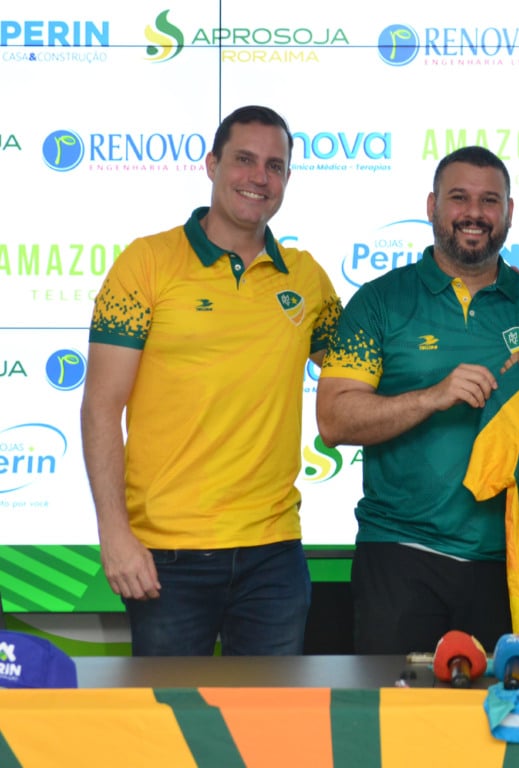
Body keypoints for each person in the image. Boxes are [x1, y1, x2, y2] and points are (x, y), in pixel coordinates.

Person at [316, 145, 519, 655]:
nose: (474, 213)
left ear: (509, 212)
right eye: (459, 198)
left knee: (505, 705)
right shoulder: (380, 301)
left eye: (489, 201)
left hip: (516, 561)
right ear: (432, 206)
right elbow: (334, 420)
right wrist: (432, 397)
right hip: (401, 554)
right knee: (398, 704)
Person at [80, 105, 343, 656]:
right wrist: (114, 534)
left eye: (275, 166)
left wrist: (483, 304)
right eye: (244, 160)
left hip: (274, 554)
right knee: (168, 713)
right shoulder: (146, 263)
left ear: (287, 179)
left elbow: (364, 372)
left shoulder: (307, 277)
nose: (259, 177)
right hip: (167, 557)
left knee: (270, 713)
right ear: (212, 164)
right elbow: (101, 407)